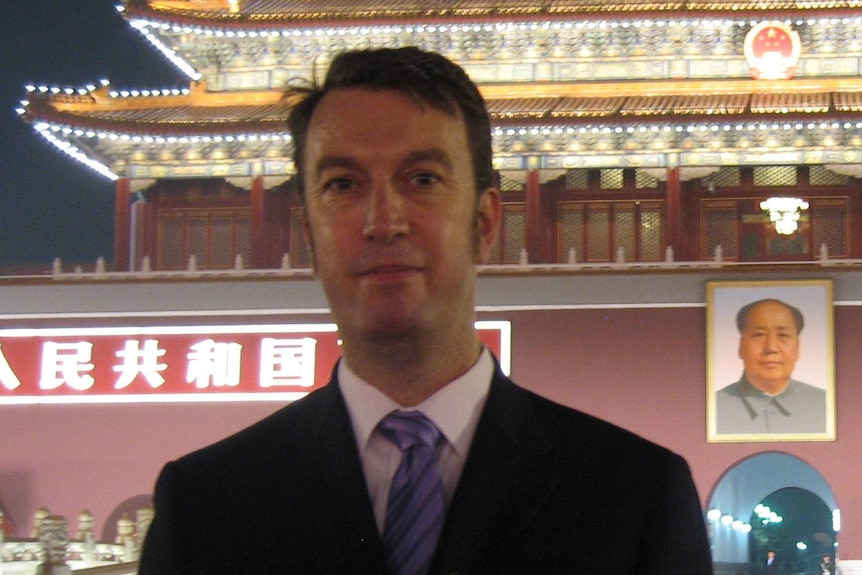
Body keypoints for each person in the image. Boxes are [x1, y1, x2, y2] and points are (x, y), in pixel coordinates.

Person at [138, 47, 713, 574]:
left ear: (486, 222)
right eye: (342, 184)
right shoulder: (208, 504)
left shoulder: (630, 495)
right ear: (309, 235)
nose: (382, 221)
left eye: (422, 179)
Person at [715, 298, 826, 435]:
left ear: (797, 348)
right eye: (759, 335)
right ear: (741, 346)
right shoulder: (714, 407)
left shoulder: (824, 404)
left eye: (783, 335)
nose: (771, 348)